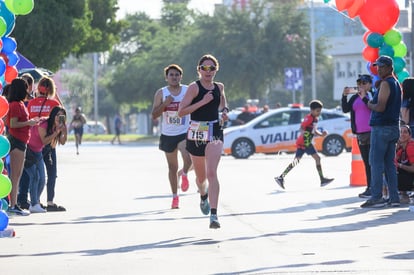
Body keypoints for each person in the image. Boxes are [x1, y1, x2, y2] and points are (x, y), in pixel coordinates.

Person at [178, 54, 228, 229]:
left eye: (212, 68)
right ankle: (203, 195)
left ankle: (214, 215)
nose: (208, 71)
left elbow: (222, 103)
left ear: (216, 70)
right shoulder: (194, 87)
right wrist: (202, 102)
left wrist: (224, 112)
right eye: (205, 68)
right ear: (199, 70)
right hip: (196, 131)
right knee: (201, 177)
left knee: (212, 173)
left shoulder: (219, 86)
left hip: (214, 130)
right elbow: (181, 112)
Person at [361, 55, 401, 208]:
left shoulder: (386, 83)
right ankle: (394, 197)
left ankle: (377, 196)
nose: (379, 69)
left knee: (375, 162)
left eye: (382, 66)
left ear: (390, 67)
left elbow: (380, 107)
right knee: (389, 164)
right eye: (377, 66)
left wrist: (369, 103)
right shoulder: (395, 82)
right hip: (393, 127)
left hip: (382, 128)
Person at [152, 64, 192, 209]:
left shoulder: (188, 90)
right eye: (171, 75)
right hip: (168, 134)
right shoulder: (161, 93)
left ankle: (185, 173)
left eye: (177, 75)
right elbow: (154, 115)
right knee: (172, 167)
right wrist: (165, 104)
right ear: (166, 78)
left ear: (181, 76)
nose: (174, 77)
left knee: (188, 157)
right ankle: (175, 197)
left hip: (184, 131)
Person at [18, 76, 61, 210]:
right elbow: (61, 116)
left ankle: (29, 200)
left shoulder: (31, 103)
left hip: (33, 142)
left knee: (31, 173)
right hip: (49, 141)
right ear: (51, 89)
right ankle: (49, 201)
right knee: (51, 172)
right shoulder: (54, 104)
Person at [274, 100, 334, 189]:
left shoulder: (315, 119)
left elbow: (314, 130)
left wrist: (321, 134)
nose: (319, 113)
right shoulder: (309, 118)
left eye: (320, 111)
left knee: (296, 161)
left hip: (305, 142)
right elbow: (301, 128)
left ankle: (281, 177)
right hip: (305, 142)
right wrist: (306, 136)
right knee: (317, 158)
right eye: (317, 111)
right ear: (312, 110)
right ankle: (322, 179)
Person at [5, 78, 40, 216]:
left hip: (22, 140)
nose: (27, 91)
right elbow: (13, 124)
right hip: (17, 141)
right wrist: (28, 123)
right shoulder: (14, 104)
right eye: (25, 88)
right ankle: (13, 204)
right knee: (15, 175)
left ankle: (14, 203)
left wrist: (30, 122)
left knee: (17, 175)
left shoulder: (20, 103)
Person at [24, 106, 67, 213]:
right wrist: (56, 133)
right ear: (53, 115)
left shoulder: (57, 126)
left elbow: (62, 142)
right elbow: (44, 141)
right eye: (57, 115)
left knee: (42, 178)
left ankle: (35, 202)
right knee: (35, 177)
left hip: (38, 151)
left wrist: (64, 132)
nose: (59, 118)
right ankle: (34, 203)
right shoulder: (44, 124)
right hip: (28, 149)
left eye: (62, 116)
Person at [341, 74, 374, 198]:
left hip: (372, 132)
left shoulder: (372, 95)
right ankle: (369, 187)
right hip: (360, 134)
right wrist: (344, 95)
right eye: (359, 83)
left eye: (364, 83)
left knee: (373, 162)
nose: (361, 86)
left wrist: (365, 97)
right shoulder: (355, 97)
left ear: (370, 84)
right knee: (366, 162)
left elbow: (374, 107)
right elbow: (345, 109)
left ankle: (375, 187)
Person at [395, 124, 414, 204]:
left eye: (405, 132)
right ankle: (403, 195)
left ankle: (405, 195)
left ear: (410, 135)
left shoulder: (411, 147)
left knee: (397, 171)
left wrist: (399, 165)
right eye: (400, 132)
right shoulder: (400, 148)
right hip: (408, 175)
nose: (402, 134)